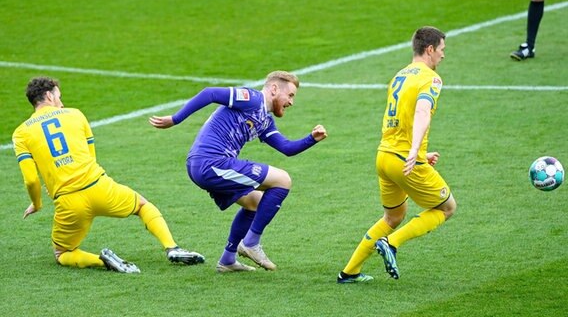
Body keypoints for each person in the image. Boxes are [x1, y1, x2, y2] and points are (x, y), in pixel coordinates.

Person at [13, 77, 205, 273]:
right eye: (59, 97)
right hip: (99, 186)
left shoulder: (21, 133)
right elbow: (90, 157)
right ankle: (172, 248)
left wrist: (37, 204)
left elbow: (31, 179)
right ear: (48, 95)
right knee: (142, 206)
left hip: (69, 202)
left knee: (62, 253)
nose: (61, 103)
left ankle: (103, 261)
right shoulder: (75, 114)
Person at [149, 71, 327, 273]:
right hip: (210, 163)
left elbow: (286, 148)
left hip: (205, 166)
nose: (291, 102)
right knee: (283, 180)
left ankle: (228, 260)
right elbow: (210, 93)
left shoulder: (265, 120)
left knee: (254, 203)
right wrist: (175, 119)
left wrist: (311, 138)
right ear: (275, 89)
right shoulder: (252, 99)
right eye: (291, 95)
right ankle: (251, 243)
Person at [337, 26, 457, 283]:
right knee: (447, 208)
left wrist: (421, 151)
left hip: (384, 157)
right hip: (404, 159)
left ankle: (349, 272)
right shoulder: (431, 78)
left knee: (393, 215)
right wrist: (414, 151)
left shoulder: (399, 75)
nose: (443, 56)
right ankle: (391, 244)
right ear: (430, 49)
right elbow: (422, 112)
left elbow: (401, 118)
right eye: (442, 50)